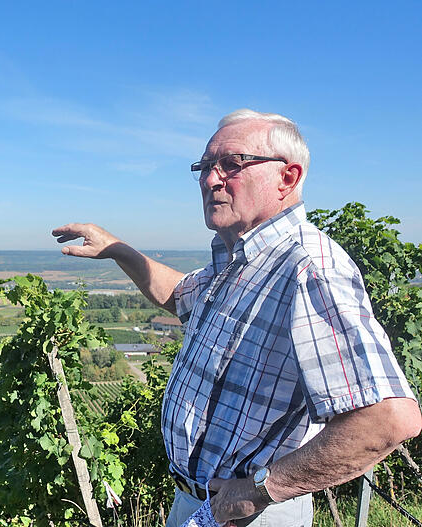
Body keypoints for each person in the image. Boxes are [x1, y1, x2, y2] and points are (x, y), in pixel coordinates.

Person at [52, 109, 421, 526]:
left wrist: (260, 490)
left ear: (288, 178)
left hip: (249, 514)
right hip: (201, 504)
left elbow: (388, 419)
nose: (211, 180)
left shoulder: (309, 267)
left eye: (232, 164)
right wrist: (120, 249)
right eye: (205, 167)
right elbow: (179, 296)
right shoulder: (240, 260)